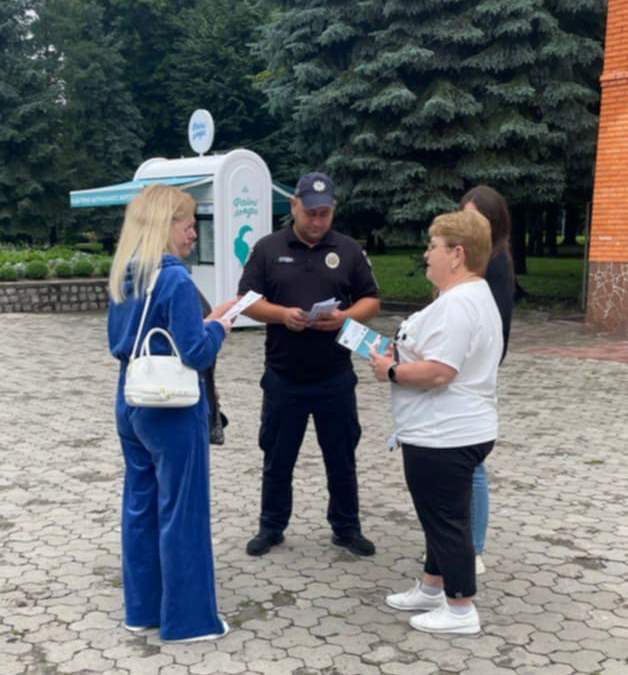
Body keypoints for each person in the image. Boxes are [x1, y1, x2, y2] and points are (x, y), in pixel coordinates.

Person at [107, 185, 234, 642]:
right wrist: (219, 327)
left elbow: (118, 342)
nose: (193, 233)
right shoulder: (176, 279)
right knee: (183, 511)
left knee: (140, 506)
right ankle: (189, 621)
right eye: (188, 224)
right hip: (172, 407)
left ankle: (142, 610)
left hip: (130, 398)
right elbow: (196, 353)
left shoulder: (126, 275)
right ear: (166, 225)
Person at [370, 210, 502, 635]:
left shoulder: (460, 303)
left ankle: (460, 608)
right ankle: (432, 586)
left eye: (433, 246)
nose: (426, 254)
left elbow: (441, 371)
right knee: (437, 516)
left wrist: (391, 371)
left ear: (457, 254)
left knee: (446, 521)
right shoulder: (470, 295)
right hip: (449, 427)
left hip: (446, 432)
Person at [238, 172, 381, 557]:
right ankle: (271, 527)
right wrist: (282, 314)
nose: (318, 221)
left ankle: (346, 528)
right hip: (284, 376)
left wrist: (346, 317)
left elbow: (371, 300)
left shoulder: (348, 250)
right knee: (277, 457)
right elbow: (246, 301)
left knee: (341, 457)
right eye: (311, 213)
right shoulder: (267, 248)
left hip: (335, 376)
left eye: (325, 213)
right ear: (294, 206)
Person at [460, 185, 515, 575]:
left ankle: (473, 547)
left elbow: (494, 327)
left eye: (477, 219)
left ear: (494, 223)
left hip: (473, 374)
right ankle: (458, 542)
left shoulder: (494, 263)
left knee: (473, 465)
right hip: (461, 371)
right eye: (465, 217)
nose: (470, 226)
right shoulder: (471, 257)